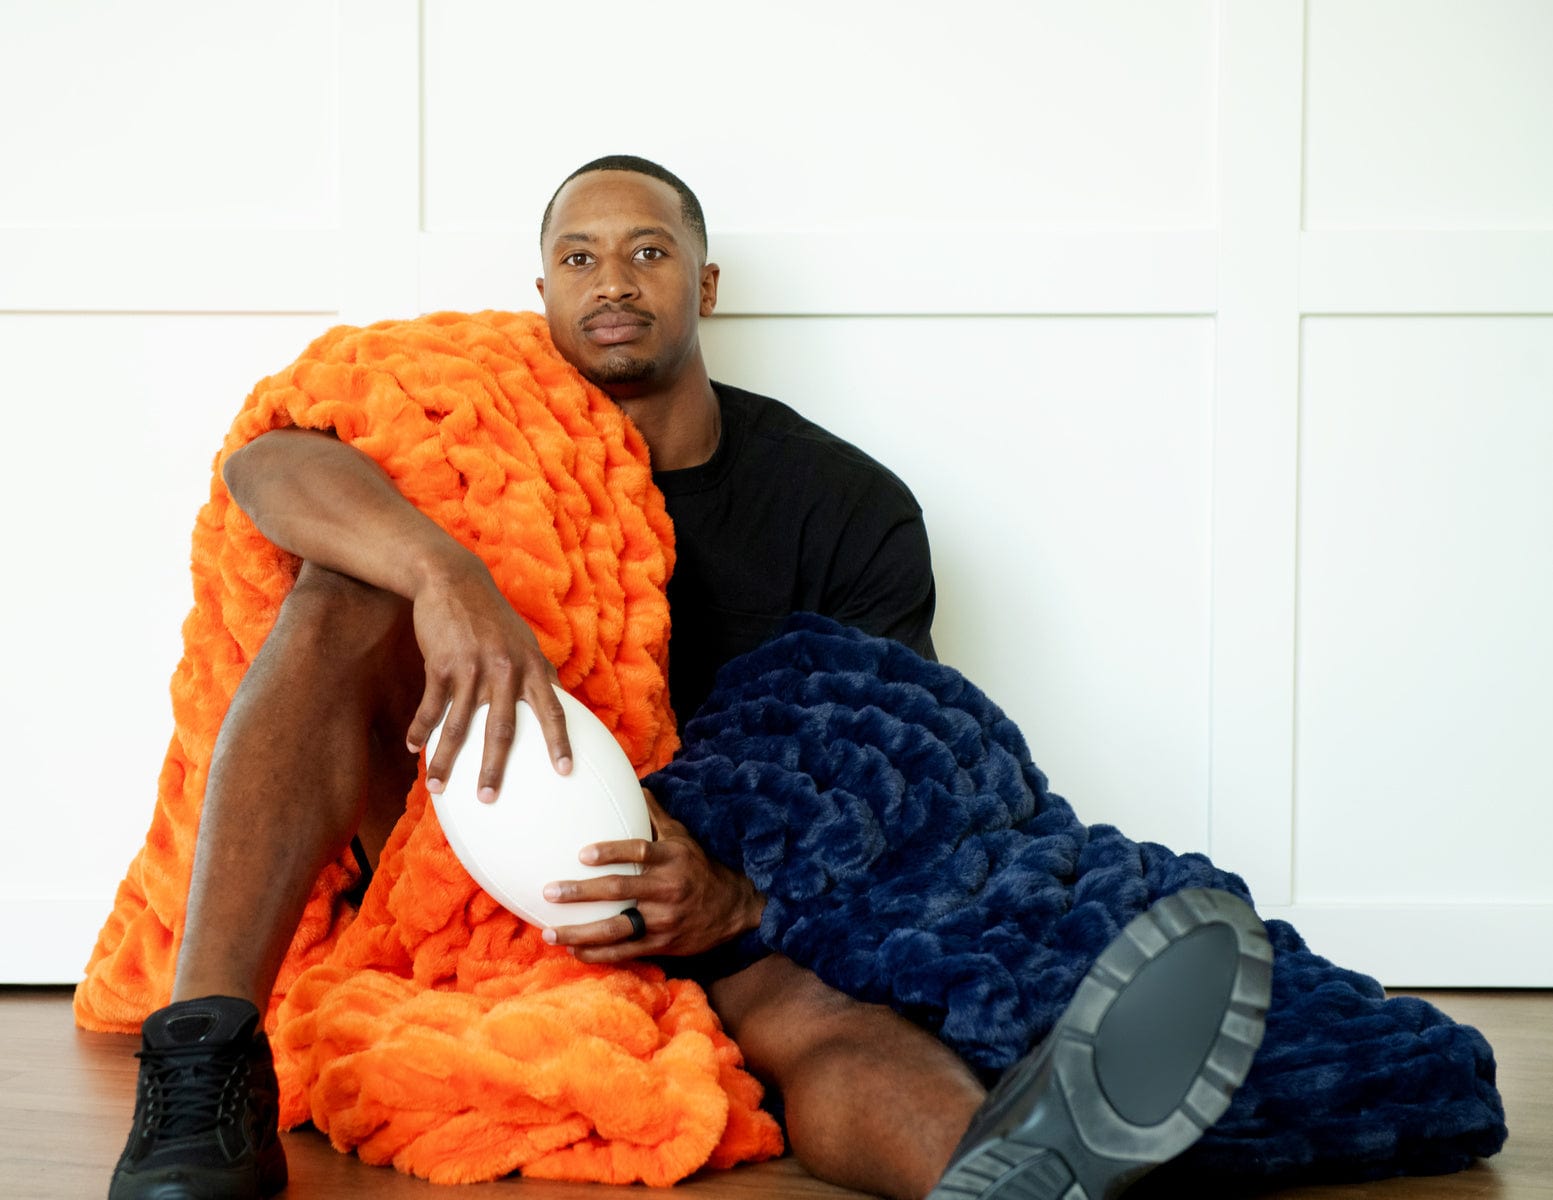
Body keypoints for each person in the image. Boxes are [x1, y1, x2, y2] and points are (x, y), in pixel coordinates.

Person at [109, 156, 1264, 1200]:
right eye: (579, 258)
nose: (613, 281)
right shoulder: (470, 420)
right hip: (454, 860)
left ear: (704, 285)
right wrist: (444, 574)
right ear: (542, 293)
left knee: (817, 1018)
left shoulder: (842, 506)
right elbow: (268, 463)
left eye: (648, 252)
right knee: (343, 582)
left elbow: (889, 770)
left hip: (693, 884)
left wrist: (734, 895)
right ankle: (202, 1063)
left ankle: (1003, 1176)